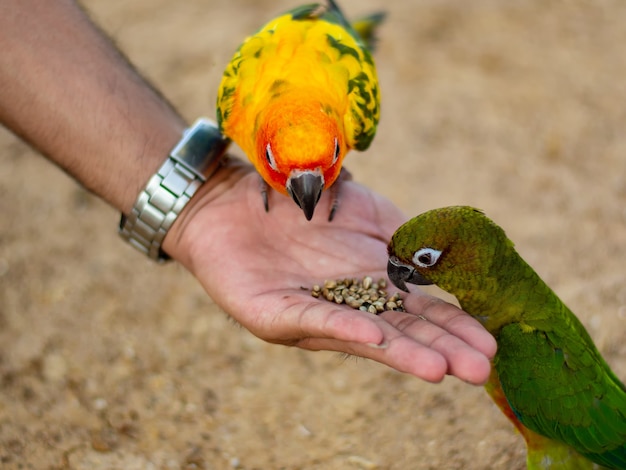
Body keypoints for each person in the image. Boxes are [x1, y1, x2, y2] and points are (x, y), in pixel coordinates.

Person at [0, 0, 495, 385]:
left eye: (331, 161)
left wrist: (329, 170)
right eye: (278, 166)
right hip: (289, 40)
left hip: (328, 44)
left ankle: (354, 56)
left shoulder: (355, 102)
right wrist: (204, 199)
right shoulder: (238, 95)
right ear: (259, 142)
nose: (309, 187)